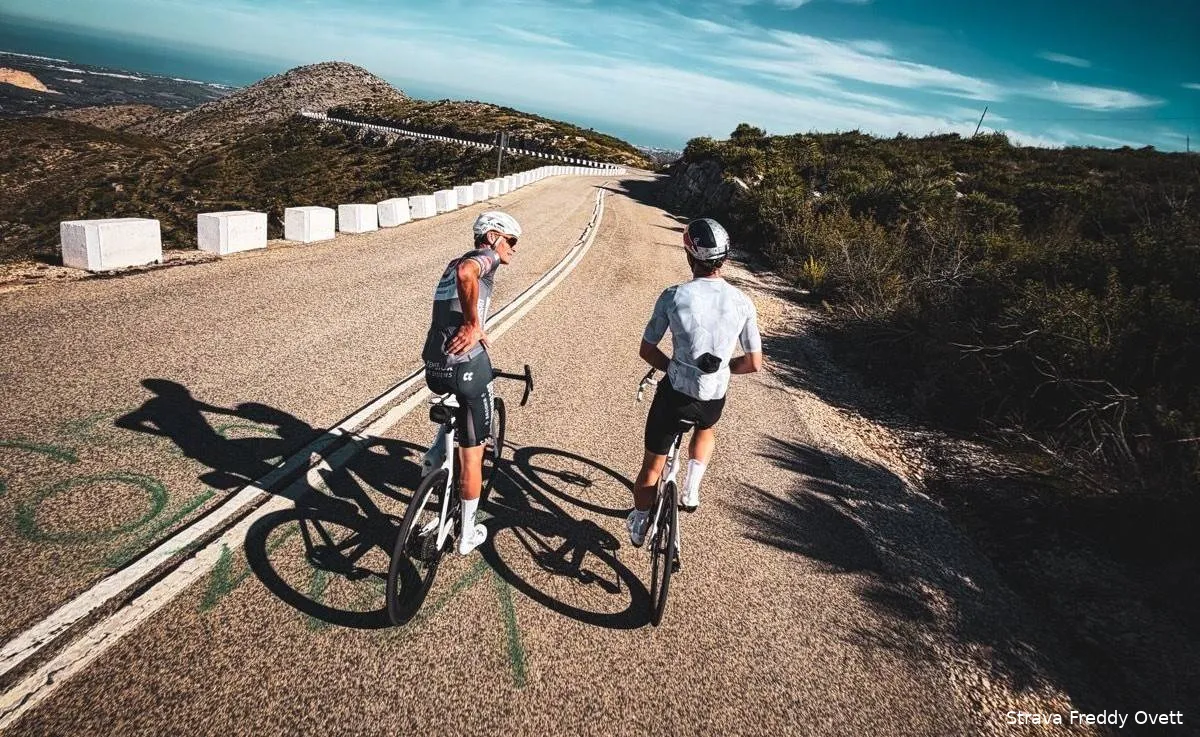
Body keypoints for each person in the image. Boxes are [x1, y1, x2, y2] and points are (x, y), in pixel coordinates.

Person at [627, 217, 763, 546]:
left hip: (675, 393)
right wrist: (722, 369)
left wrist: (673, 366)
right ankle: (691, 489)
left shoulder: (673, 296)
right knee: (705, 428)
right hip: (712, 399)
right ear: (725, 258)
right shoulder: (743, 302)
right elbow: (754, 363)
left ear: (690, 256)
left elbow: (647, 349)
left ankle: (640, 521)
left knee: (652, 467)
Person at [421, 210, 521, 555]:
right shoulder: (484, 257)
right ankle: (466, 535)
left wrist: (470, 320)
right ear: (493, 236)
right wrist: (474, 325)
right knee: (472, 455)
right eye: (511, 240)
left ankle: (433, 463)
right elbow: (470, 273)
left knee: (452, 416)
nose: (513, 248)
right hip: (465, 366)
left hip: (434, 364)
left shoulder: (452, 262)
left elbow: (460, 278)